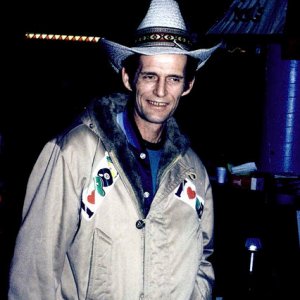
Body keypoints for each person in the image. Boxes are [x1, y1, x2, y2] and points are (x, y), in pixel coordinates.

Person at [8, 0, 221, 299]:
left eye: (173, 78)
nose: (161, 92)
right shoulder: (75, 153)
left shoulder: (194, 173)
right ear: (128, 77)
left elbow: (203, 257)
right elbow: (34, 271)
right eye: (150, 76)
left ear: (188, 85)